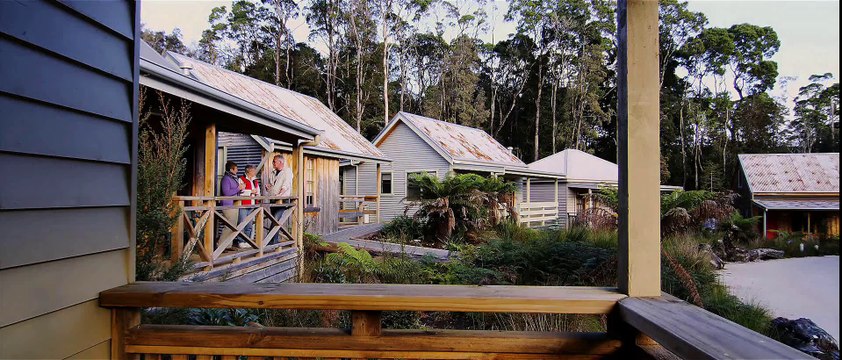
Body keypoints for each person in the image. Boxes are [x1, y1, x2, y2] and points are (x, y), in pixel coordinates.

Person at [265, 154, 292, 245]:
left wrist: (281, 193)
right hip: (273, 199)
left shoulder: (287, 172)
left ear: (281, 162)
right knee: (274, 220)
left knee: (276, 219)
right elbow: (272, 184)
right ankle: (274, 241)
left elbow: (286, 184)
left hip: (282, 200)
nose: (273, 163)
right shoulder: (273, 172)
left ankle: (268, 241)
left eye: (274, 161)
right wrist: (268, 187)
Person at [219, 161, 245, 249]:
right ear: (231, 169)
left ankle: (228, 245)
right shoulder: (226, 179)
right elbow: (226, 192)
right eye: (236, 168)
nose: (237, 170)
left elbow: (235, 191)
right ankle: (221, 245)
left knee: (233, 226)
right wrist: (238, 188)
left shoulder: (234, 178)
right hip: (227, 205)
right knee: (229, 225)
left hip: (234, 204)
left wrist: (241, 189)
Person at [238, 164, 260, 247]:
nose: (255, 172)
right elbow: (240, 192)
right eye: (253, 170)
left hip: (252, 204)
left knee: (249, 224)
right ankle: (240, 241)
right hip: (243, 204)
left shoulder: (255, 180)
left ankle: (247, 241)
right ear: (248, 171)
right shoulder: (241, 179)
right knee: (242, 223)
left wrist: (257, 194)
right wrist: (250, 191)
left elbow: (258, 191)